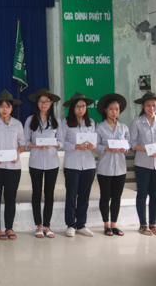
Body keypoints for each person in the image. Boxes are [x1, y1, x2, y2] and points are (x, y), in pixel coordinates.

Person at [129, 91, 156, 236]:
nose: (151, 108)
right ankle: (143, 224)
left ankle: (153, 224)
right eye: (148, 105)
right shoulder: (137, 122)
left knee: (155, 194)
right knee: (142, 193)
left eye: (154, 105)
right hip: (142, 163)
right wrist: (147, 150)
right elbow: (132, 143)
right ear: (143, 106)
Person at [0, 90, 26, 241]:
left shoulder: (18, 124)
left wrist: (18, 153)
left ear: (12, 108)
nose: (4, 109)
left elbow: (23, 144)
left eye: (7, 106)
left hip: (13, 167)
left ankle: (9, 227)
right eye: (1, 106)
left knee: (11, 197)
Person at [24, 88, 63, 239]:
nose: (43, 104)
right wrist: (36, 146)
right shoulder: (30, 120)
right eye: (41, 101)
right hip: (35, 162)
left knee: (49, 194)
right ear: (37, 103)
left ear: (51, 103)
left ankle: (47, 225)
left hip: (52, 162)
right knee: (36, 193)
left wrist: (53, 143)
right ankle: (38, 225)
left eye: (46, 102)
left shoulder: (56, 121)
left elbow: (61, 142)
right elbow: (25, 142)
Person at [61, 92, 97, 238]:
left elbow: (94, 141)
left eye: (83, 106)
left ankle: (81, 224)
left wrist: (93, 146)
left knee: (84, 195)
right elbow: (61, 142)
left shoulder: (91, 122)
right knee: (71, 195)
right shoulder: (65, 123)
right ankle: (70, 224)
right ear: (72, 108)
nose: (81, 109)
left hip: (88, 165)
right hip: (72, 164)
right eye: (77, 106)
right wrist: (75, 146)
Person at [95, 93, 130, 237]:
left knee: (117, 197)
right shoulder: (100, 128)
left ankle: (114, 224)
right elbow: (95, 145)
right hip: (105, 167)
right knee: (105, 196)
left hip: (120, 168)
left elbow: (128, 144)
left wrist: (124, 149)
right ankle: (106, 224)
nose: (114, 112)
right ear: (105, 110)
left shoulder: (124, 127)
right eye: (111, 109)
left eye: (116, 109)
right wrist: (107, 148)